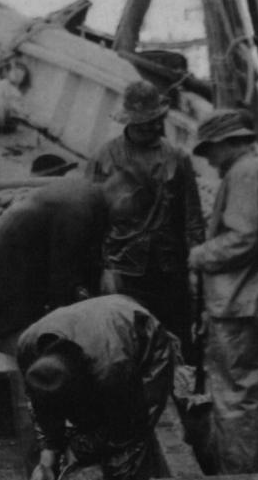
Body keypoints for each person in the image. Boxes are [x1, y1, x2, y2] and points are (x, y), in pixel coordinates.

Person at [13, 294, 176, 480]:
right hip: (93, 338)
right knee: (83, 439)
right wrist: (49, 449)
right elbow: (42, 404)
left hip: (143, 345)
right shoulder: (28, 347)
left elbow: (126, 428)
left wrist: (81, 446)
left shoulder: (113, 370)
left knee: (126, 457)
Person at [189, 109, 258, 473]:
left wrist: (199, 255)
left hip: (243, 308)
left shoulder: (246, 174)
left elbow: (243, 237)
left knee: (240, 402)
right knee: (257, 401)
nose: (207, 159)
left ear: (227, 143)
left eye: (209, 150)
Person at [86, 81, 205, 349]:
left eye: (157, 120)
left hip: (170, 268)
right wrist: (102, 269)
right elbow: (92, 218)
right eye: (146, 122)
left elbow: (193, 217)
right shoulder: (104, 158)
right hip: (123, 270)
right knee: (129, 343)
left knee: (178, 339)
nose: (153, 127)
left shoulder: (178, 158)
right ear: (129, 121)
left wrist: (196, 267)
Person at [0, 178, 107, 334]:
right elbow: (63, 279)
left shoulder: (85, 192)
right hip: (9, 287)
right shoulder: (80, 209)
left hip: (3, 267)